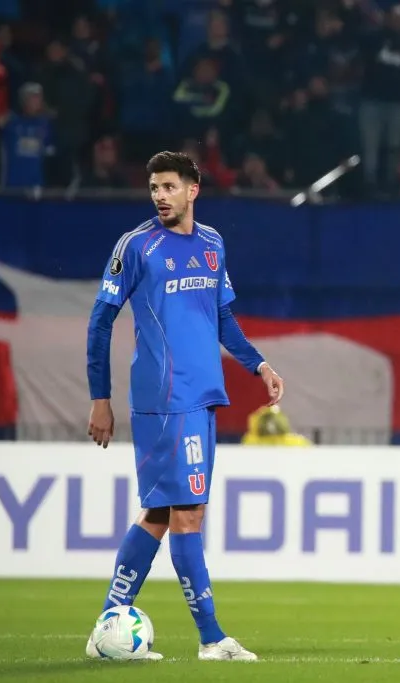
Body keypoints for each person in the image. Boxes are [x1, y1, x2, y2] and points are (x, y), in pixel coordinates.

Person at [84, 151, 284, 661]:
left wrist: (258, 365)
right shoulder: (136, 247)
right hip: (166, 398)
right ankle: (212, 639)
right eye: (154, 187)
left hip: (202, 396)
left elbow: (222, 318)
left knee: (157, 512)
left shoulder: (212, 243)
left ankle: (109, 622)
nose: (160, 196)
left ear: (193, 189)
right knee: (188, 515)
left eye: (169, 186)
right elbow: (100, 321)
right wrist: (100, 398)